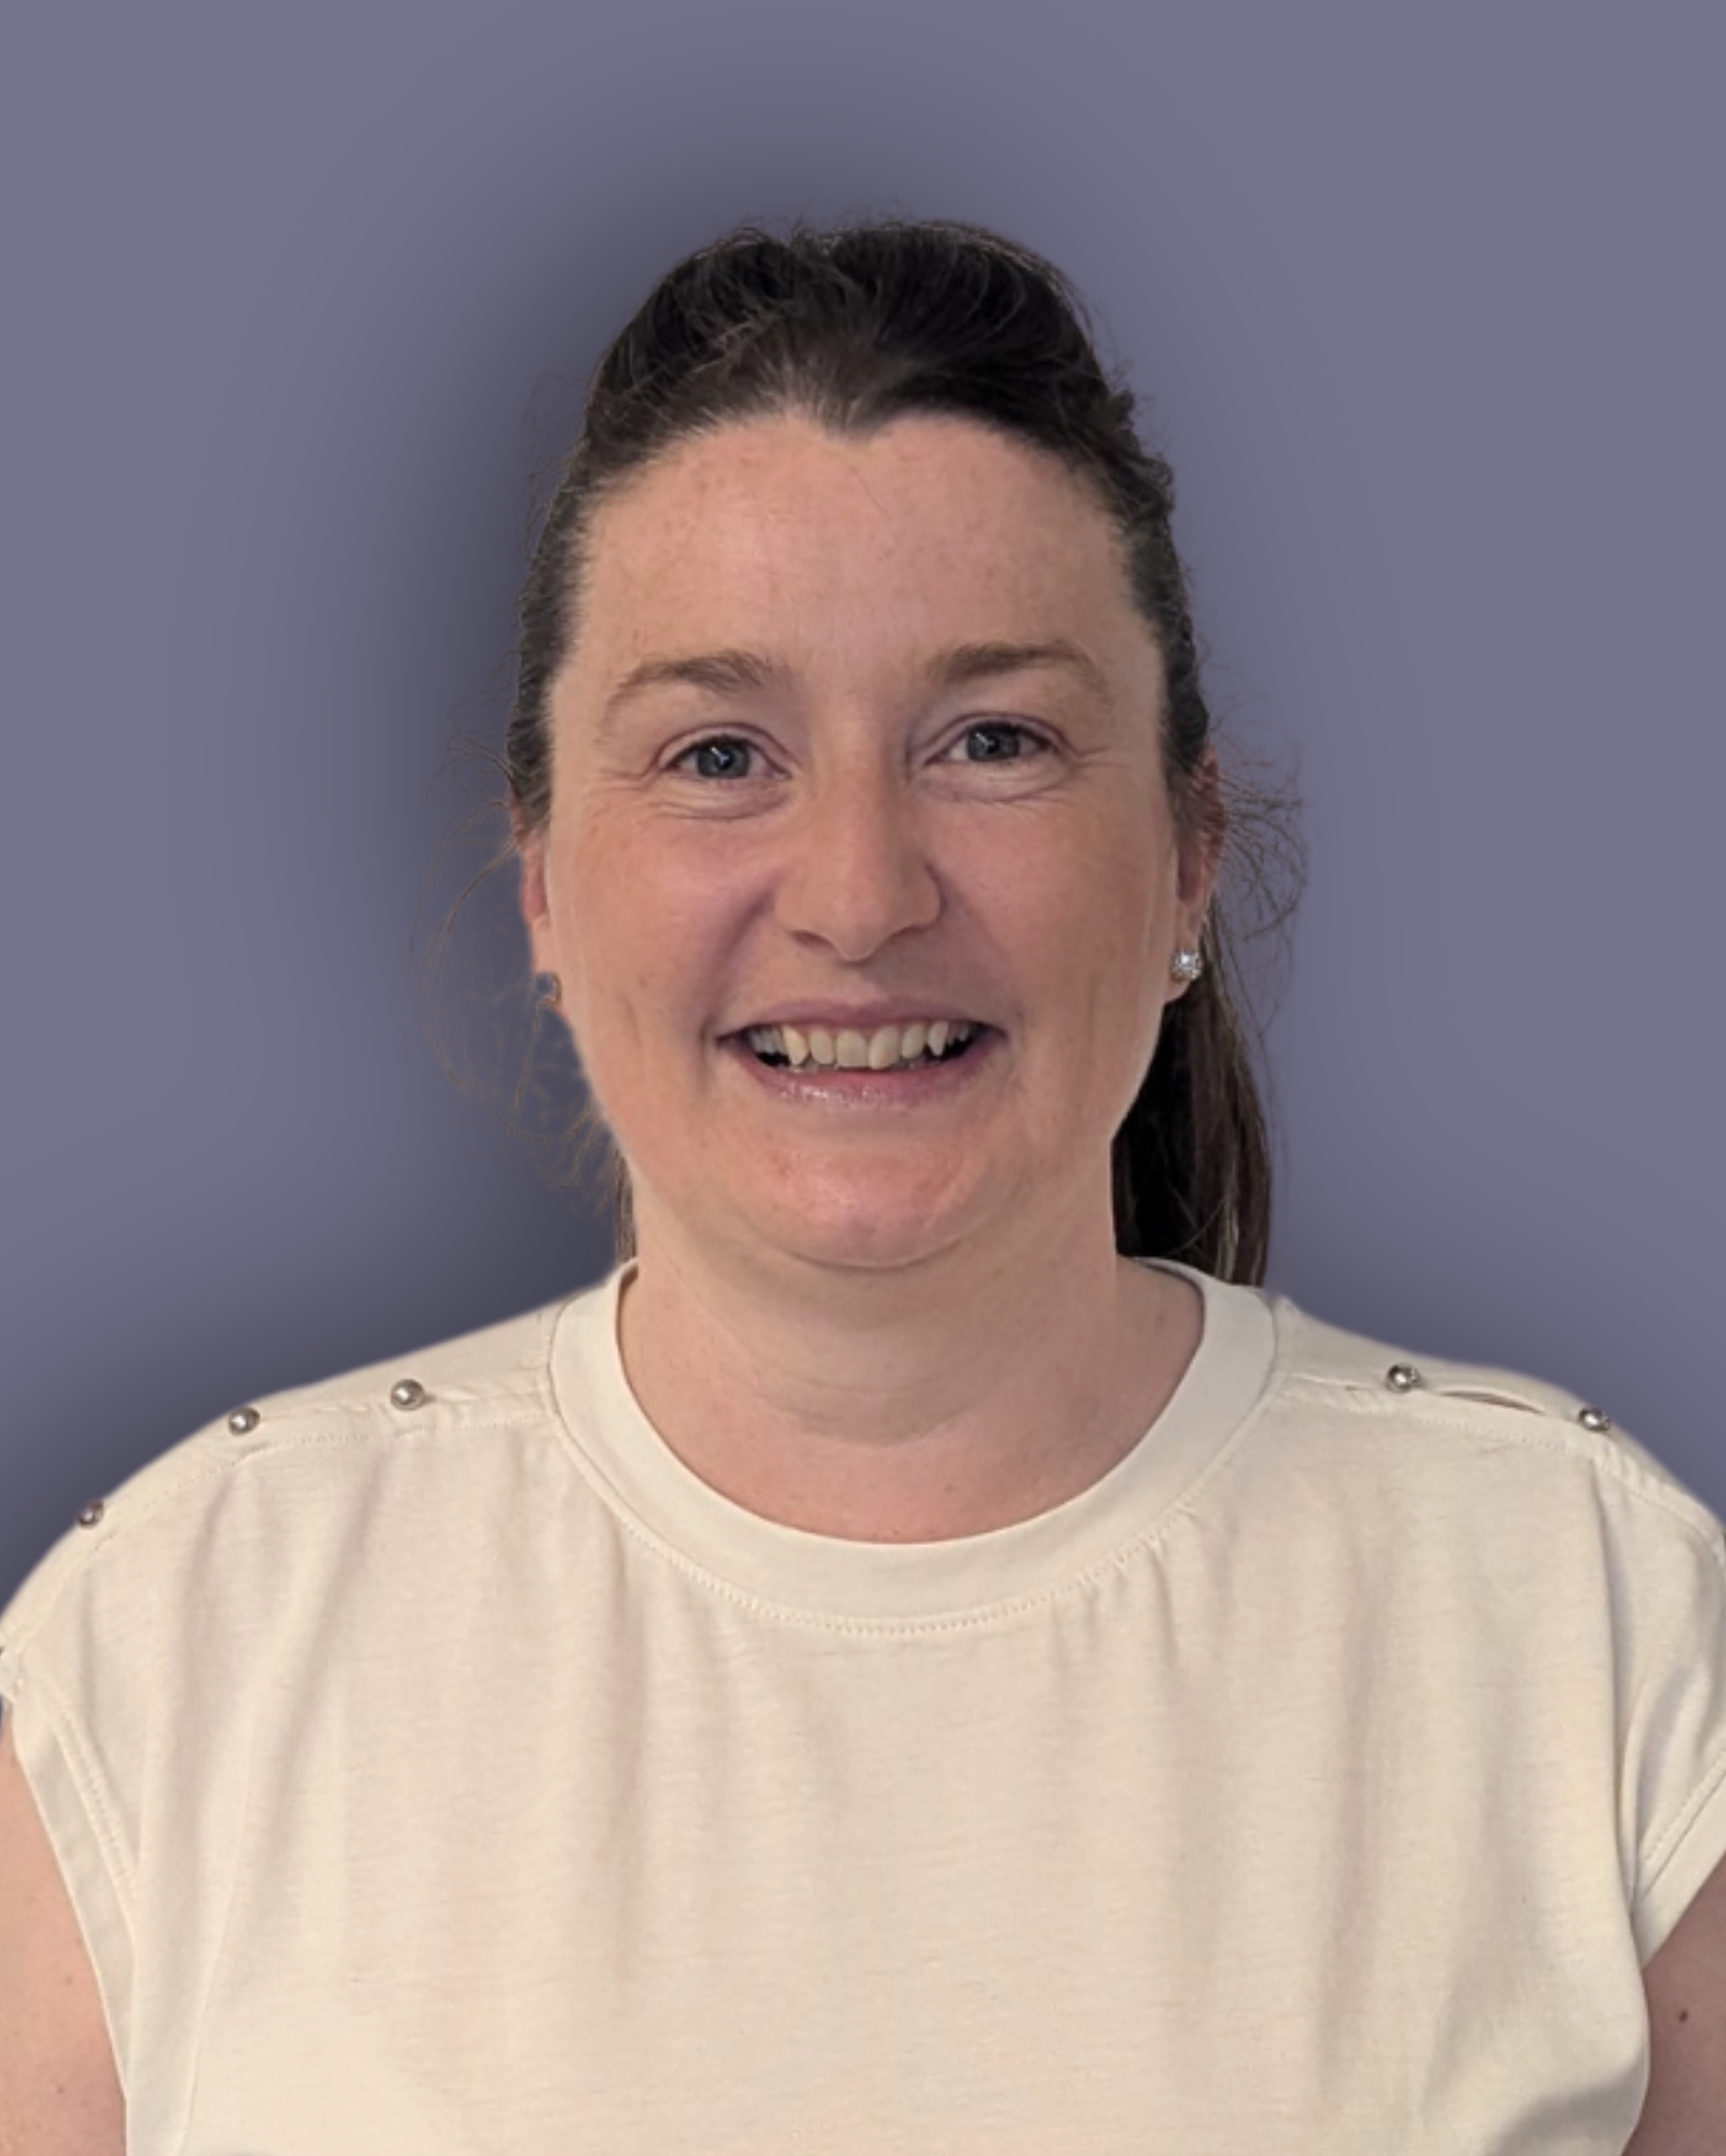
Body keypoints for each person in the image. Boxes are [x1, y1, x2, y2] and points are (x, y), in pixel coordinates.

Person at [1, 216, 1721, 2152]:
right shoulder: (178, 1643)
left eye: (991, 739)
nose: (855, 892)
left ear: (1183, 850)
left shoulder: (1586, 1617)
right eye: (719, 751)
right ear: (547, 879)